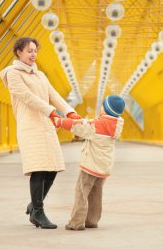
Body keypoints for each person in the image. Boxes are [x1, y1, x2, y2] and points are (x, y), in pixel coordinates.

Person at [0, 37, 81, 229]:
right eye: (29, 50)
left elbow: (54, 95)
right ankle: (38, 212)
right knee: (39, 167)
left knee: (52, 168)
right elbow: (27, 97)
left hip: (46, 124)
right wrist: (52, 112)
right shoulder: (13, 74)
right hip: (30, 126)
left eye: (35, 50)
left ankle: (34, 205)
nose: (33, 54)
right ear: (18, 52)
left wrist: (69, 111)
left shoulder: (40, 75)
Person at [52, 95, 125, 230]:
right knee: (96, 193)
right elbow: (89, 123)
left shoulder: (98, 126)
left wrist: (60, 121)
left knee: (81, 192)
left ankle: (76, 223)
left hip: (91, 166)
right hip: (103, 167)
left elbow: (79, 127)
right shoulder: (115, 124)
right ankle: (92, 220)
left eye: (103, 105)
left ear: (106, 109)